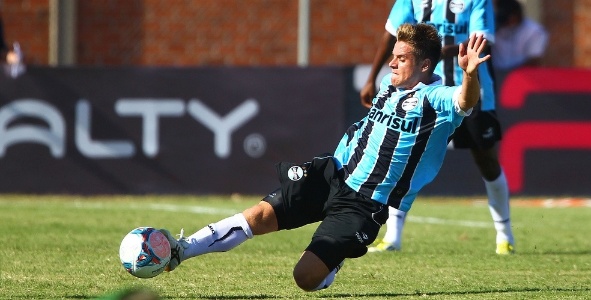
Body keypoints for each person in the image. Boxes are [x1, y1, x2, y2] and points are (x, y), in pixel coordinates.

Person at [158, 23, 491, 292]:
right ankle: (180, 251)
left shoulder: (437, 97)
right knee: (258, 215)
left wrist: (470, 74)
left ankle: (335, 256)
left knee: (305, 278)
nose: (392, 63)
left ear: (424, 65)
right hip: (332, 174)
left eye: (401, 58)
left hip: (364, 203)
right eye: (393, 56)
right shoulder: (390, 87)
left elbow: (465, 101)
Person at [360, 0, 515, 255]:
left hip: (473, 92)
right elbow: (392, 34)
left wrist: (441, 52)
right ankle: (393, 238)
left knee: (487, 161)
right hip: (423, 93)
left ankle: (504, 235)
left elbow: (481, 41)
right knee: (405, 158)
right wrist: (371, 78)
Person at [492, 0, 549, 72]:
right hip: (496, 72)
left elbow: (535, 59)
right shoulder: (495, 27)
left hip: (522, 73)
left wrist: (512, 72)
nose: (510, 23)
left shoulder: (534, 31)